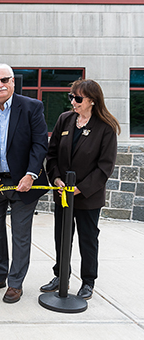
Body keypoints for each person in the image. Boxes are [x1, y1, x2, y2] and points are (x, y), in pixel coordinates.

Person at [0, 63, 49, 303]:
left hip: (23, 183)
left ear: (13, 81)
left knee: (20, 236)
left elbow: (40, 144)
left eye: (4, 80)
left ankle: (15, 283)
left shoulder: (32, 107)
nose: (0, 85)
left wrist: (31, 174)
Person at [40, 79, 120, 300]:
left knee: (88, 238)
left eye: (78, 98)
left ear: (92, 101)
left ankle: (88, 281)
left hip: (87, 197)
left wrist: (80, 189)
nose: (73, 102)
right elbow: (52, 154)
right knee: (62, 237)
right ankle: (61, 275)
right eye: (71, 97)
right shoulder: (65, 120)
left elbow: (105, 167)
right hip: (63, 194)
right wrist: (56, 178)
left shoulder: (105, 128)